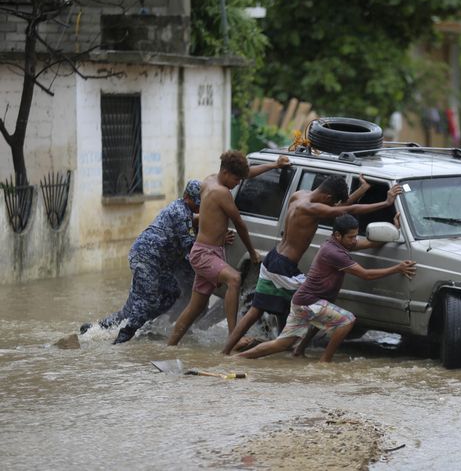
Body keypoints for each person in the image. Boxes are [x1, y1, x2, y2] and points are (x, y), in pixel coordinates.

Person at [221, 174, 403, 354]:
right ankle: (296, 348)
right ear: (328, 198)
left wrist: (361, 190)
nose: (332, 207)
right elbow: (347, 210)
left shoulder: (300, 195)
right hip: (284, 268)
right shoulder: (312, 208)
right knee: (320, 301)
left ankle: (226, 351)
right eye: (332, 203)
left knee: (256, 310)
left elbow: (339, 208)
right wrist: (386, 203)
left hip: (273, 257)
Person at [233, 214, 416, 362]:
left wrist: (395, 231)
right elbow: (365, 274)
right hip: (308, 303)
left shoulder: (337, 244)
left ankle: (241, 358)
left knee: (282, 343)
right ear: (338, 235)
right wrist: (398, 268)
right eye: (351, 237)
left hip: (306, 302)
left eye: (355, 236)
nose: (354, 240)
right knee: (347, 321)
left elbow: (370, 243)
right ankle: (325, 362)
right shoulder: (334, 253)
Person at [167, 151, 290, 345]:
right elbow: (239, 223)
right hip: (204, 253)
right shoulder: (221, 193)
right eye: (236, 179)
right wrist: (252, 252)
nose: (239, 183)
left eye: (240, 178)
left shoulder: (209, 180)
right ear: (225, 172)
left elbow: (247, 173)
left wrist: (274, 166)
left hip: (207, 251)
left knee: (195, 307)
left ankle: (170, 346)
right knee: (235, 279)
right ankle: (233, 339)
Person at [80, 179, 202, 344]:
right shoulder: (182, 213)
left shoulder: (182, 209)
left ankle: (96, 329)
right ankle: (122, 339)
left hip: (156, 261)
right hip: (146, 258)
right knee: (148, 300)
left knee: (169, 294)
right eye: (197, 203)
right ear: (187, 197)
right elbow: (190, 248)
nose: (199, 207)